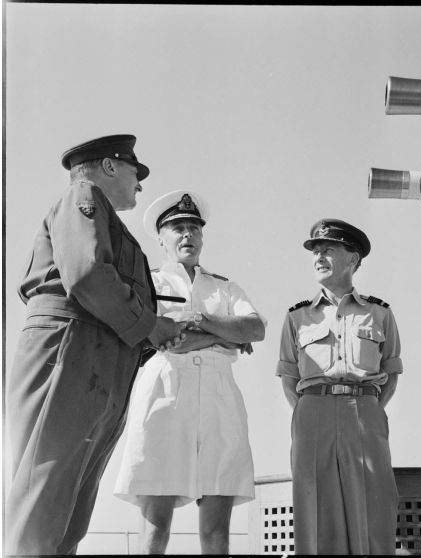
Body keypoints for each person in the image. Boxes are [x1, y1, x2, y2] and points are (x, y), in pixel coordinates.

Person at [6, 134, 186, 555]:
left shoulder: (106, 218)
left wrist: (158, 329)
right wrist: (151, 326)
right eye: (134, 172)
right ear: (108, 167)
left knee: (68, 513)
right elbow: (87, 276)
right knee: (43, 500)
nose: (139, 184)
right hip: (70, 349)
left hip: (98, 357)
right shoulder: (83, 196)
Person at [114, 190, 266, 554]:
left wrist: (200, 320)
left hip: (219, 401)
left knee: (216, 532)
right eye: (178, 228)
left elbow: (254, 328)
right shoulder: (147, 284)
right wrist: (224, 337)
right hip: (164, 395)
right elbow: (173, 344)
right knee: (156, 527)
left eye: (194, 228)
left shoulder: (224, 286)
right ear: (162, 238)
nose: (188, 235)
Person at [276, 218, 403, 555]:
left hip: (365, 410)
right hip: (313, 411)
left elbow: (391, 372)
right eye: (316, 251)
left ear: (353, 259)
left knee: (374, 505)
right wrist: (314, 408)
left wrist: (367, 406)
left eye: (328, 250)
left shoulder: (380, 313)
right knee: (315, 505)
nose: (319, 256)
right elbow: (289, 378)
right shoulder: (297, 317)